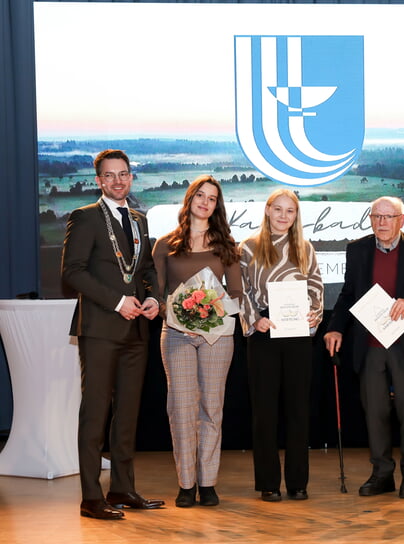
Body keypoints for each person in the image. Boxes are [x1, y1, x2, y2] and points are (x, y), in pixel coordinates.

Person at [61, 149, 165, 520]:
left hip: (137, 329)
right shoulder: (84, 218)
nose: (118, 180)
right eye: (110, 175)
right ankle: (91, 497)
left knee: (128, 415)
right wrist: (118, 300)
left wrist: (153, 298)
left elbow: (147, 268)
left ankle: (122, 489)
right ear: (99, 180)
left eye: (124, 174)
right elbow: (72, 272)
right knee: (96, 414)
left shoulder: (138, 219)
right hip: (101, 329)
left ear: (131, 178)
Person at [324, 196, 404, 499]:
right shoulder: (357, 250)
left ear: (401, 220)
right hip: (370, 344)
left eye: (388, 217)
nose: (381, 223)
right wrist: (336, 326)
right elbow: (348, 294)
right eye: (376, 216)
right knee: (374, 412)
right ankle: (381, 474)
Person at [152, 175, 242, 508]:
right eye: (200, 195)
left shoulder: (225, 244)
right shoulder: (165, 244)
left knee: (211, 409)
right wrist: (178, 319)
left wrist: (207, 319)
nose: (205, 202)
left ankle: (208, 482)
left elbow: (235, 293)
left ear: (217, 206)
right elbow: (156, 295)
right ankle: (186, 484)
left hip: (217, 336)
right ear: (190, 199)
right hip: (176, 334)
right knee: (181, 409)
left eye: (212, 198)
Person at [239, 188, 323, 502]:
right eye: (279, 209)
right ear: (268, 210)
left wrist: (313, 315)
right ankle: (269, 483)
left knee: (298, 410)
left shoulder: (304, 247)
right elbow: (241, 290)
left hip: (298, 333)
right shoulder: (248, 247)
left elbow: (315, 285)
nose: (284, 216)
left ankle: (298, 482)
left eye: (290, 211)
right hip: (264, 331)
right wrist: (254, 319)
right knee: (265, 411)